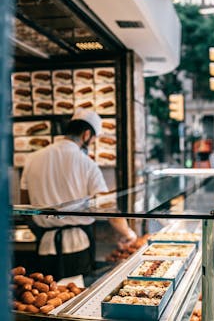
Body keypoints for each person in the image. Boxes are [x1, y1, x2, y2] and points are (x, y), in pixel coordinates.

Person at [20, 108, 137, 280]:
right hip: (78, 245)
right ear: (86, 135)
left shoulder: (32, 159)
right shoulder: (87, 164)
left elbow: (25, 205)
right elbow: (107, 208)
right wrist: (129, 234)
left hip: (45, 245)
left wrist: (41, 230)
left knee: (50, 296)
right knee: (75, 296)